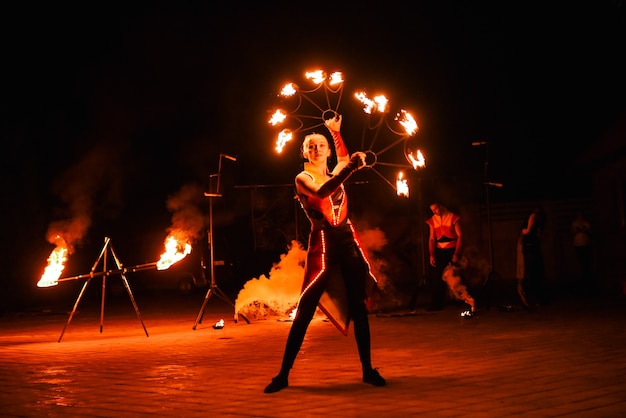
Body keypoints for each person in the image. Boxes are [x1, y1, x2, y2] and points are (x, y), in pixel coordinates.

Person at [264, 114, 386, 394]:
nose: (315, 149)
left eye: (320, 145)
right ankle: (283, 375)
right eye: (310, 146)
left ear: (328, 151)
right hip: (323, 245)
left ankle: (368, 370)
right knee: (305, 310)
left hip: (347, 243)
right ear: (304, 152)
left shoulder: (334, 168)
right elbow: (322, 192)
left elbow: (344, 158)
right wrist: (351, 168)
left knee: (359, 308)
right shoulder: (303, 178)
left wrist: (335, 132)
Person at [425, 202, 462, 311]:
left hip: (452, 249)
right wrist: (432, 254)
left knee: (456, 274)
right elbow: (432, 239)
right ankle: (436, 303)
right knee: (436, 276)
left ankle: (461, 300)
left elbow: (460, 236)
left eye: (436, 209)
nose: (434, 212)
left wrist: (456, 253)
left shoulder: (452, 217)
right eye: (432, 210)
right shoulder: (433, 220)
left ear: (441, 206)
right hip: (440, 250)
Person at [519, 207, 546, 308]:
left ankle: (536, 298)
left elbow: (530, 232)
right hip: (530, 249)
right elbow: (527, 231)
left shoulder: (538, 223)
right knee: (531, 273)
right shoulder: (533, 219)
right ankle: (530, 297)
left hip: (533, 249)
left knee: (536, 273)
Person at [571, 210, 593, 294]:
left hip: (586, 244)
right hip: (578, 245)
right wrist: (577, 230)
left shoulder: (586, 223)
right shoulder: (574, 223)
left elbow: (590, 232)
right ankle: (583, 281)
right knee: (581, 263)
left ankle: (588, 281)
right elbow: (572, 232)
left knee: (587, 263)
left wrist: (585, 230)